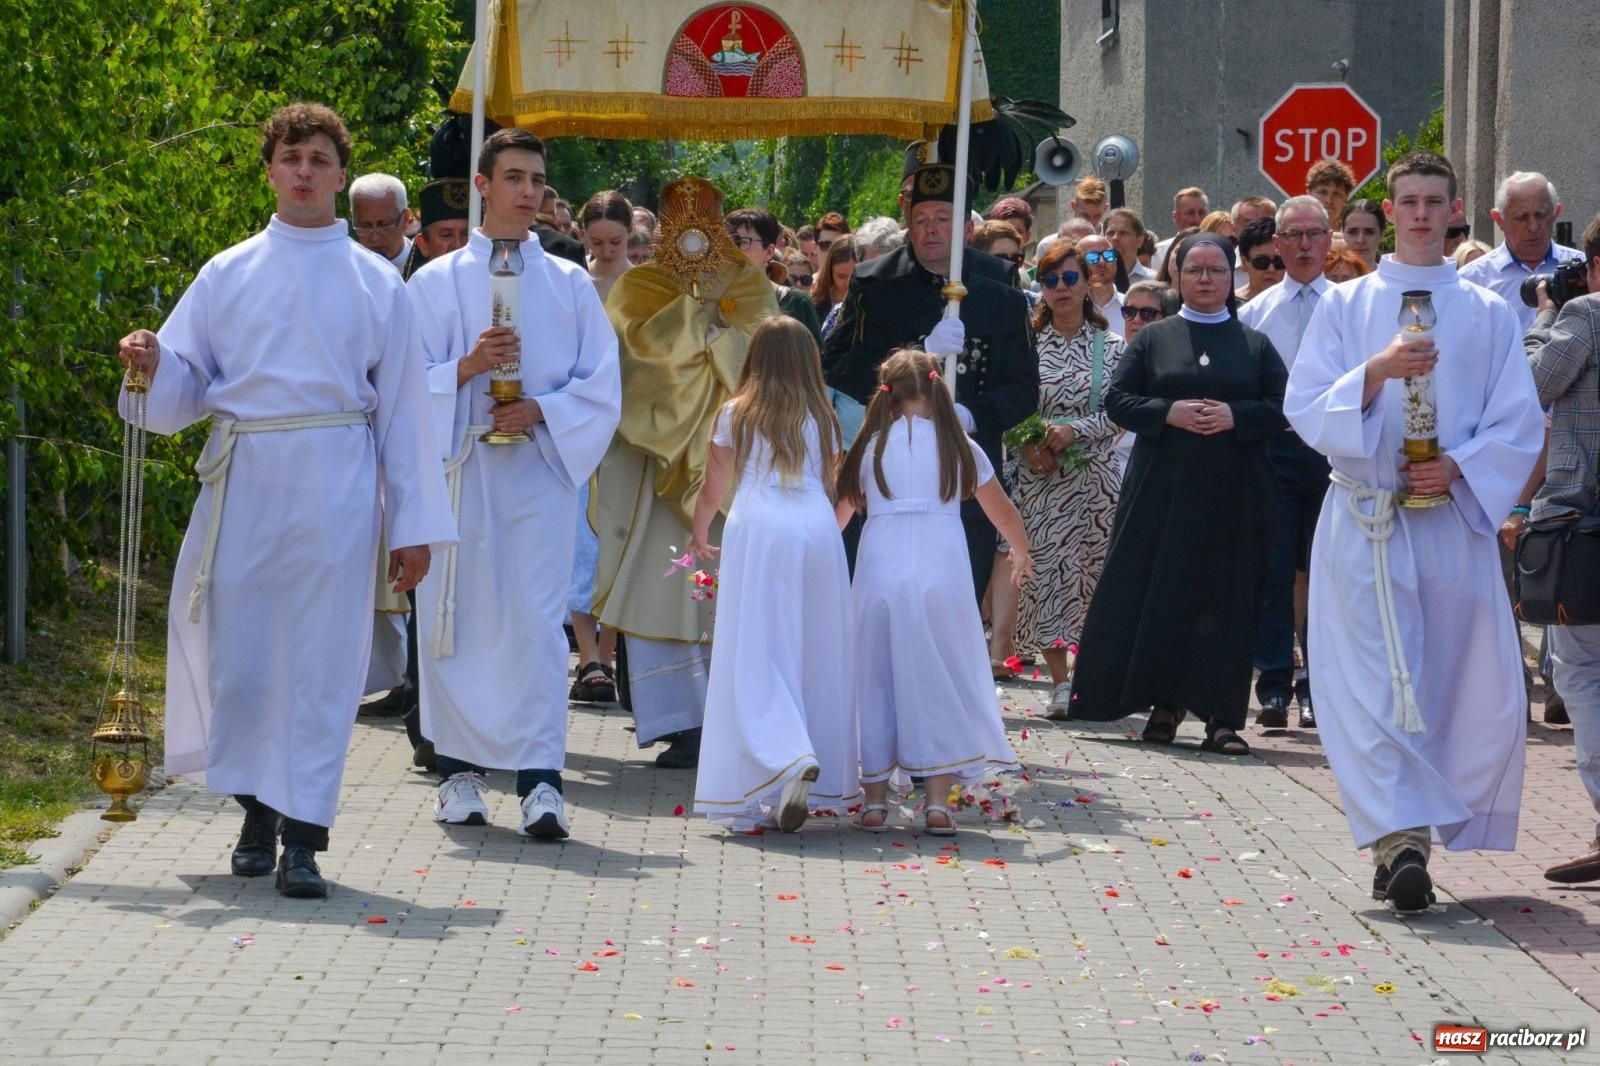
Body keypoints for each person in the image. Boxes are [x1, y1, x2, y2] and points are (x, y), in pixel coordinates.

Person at [115, 103, 454, 898]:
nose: (305, 171)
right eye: (291, 157)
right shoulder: (227, 271)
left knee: (320, 662)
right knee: (244, 660)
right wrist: (151, 359)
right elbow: (185, 387)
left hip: (335, 483)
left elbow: (405, 415)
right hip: (244, 484)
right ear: (269, 169)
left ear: (340, 175)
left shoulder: (377, 282)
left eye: (320, 159)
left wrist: (414, 529)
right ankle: (255, 813)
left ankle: (305, 835)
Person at [1284, 150, 1544, 914]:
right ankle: (1401, 843)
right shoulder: (1347, 304)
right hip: (1365, 520)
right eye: (1410, 201)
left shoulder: (1490, 312)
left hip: (1450, 527)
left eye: (1435, 200)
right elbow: (1306, 407)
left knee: (1446, 683)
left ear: (1454, 211)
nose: (1423, 213)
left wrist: (1462, 468)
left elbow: (1519, 419)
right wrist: (1377, 371)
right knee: (1368, 684)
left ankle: (1410, 830)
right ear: (1389, 212)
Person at [409, 128, 621, 839]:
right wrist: (464, 371)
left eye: (536, 179)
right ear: (482, 185)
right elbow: (403, 388)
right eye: (513, 178)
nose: (528, 191)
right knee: (457, 620)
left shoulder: (569, 285)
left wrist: (542, 409)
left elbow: (602, 386)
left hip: (536, 471)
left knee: (534, 626)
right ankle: (459, 775)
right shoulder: (434, 282)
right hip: (459, 471)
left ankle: (541, 782)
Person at [1068, 234, 1287, 756]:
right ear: (1178, 276)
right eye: (1195, 271)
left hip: (1233, 495)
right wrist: (1168, 412)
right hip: (1162, 492)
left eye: (1215, 270)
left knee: (1226, 601)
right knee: (1163, 594)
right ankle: (1163, 706)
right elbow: (1118, 399)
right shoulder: (1154, 337)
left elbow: (1283, 406)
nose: (1206, 279)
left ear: (1230, 278)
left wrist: (1237, 416)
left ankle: (1223, 719)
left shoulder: (1253, 343)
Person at [592, 177, 779, 770]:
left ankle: (735, 718)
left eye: (706, 219)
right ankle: (680, 723)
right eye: (682, 220)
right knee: (661, 589)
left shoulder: (748, 283)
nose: (693, 230)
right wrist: (703, 331)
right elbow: (633, 359)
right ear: (666, 228)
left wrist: (705, 336)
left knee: (725, 593)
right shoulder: (639, 285)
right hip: (659, 467)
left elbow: (764, 358)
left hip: (731, 467)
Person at [822, 163, 1039, 598]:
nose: (931, 230)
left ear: (964, 228)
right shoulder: (876, 280)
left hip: (965, 469)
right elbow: (837, 366)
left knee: (957, 598)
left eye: (942, 219)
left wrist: (968, 415)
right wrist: (919, 349)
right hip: (891, 466)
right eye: (920, 220)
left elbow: (1023, 388)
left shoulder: (999, 284)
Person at [840, 350, 1032, 833]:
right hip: (941, 574)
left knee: (876, 678)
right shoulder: (959, 447)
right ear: (935, 389)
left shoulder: (867, 449)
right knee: (937, 678)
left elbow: (837, 518)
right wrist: (1021, 551)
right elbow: (1002, 511)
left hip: (881, 572)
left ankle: (875, 801)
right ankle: (937, 802)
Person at [687, 318, 854, 832]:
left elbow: (713, 490)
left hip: (758, 527)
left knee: (755, 649)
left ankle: (783, 754)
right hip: (815, 528)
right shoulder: (824, 417)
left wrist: (698, 535)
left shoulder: (735, 413)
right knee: (813, 649)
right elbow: (836, 487)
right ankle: (796, 755)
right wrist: (829, 531)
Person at [1010, 241, 1126, 718]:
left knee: (1096, 577)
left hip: (1096, 479)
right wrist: (1027, 441)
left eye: (1069, 278)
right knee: (1050, 573)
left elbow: (1121, 412)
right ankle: (1060, 683)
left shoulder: (1112, 346)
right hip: (1041, 479)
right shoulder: (1025, 345)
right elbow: (1010, 405)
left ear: (1087, 283)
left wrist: (1074, 429)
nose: (1060, 288)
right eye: (1050, 279)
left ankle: (1093, 674)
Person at [1238, 196, 1334, 731]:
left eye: (1313, 234)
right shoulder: (1254, 314)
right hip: (1274, 449)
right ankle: (1274, 685)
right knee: (1275, 571)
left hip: (1332, 453)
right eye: (1292, 236)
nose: (1303, 246)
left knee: (1324, 572)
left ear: (1328, 240)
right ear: (1275, 244)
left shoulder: (1349, 305)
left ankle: (1317, 687)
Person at [1524, 214, 1600, 882]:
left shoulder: (1585, 312)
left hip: (1585, 524)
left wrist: (1549, 310)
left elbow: (1529, 385)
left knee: (1580, 671)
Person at [567, 191, 635, 706]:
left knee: (619, 540)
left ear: (630, 236)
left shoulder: (647, 287)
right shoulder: (571, 285)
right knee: (578, 542)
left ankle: (609, 653)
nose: (607, 250)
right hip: (578, 426)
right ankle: (588, 654)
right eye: (596, 242)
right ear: (581, 236)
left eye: (616, 241)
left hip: (632, 429)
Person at [1460, 171, 1584, 332]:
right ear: (1498, 219)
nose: (1533, 227)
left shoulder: (1584, 271)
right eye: (1521, 217)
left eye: (1541, 215)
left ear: (1556, 213)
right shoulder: (1471, 280)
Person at [1109, 281, 1179, 476]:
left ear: (1169, 319)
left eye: (1147, 313)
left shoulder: (1181, 370)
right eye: (1129, 312)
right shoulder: (1105, 360)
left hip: (1156, 469)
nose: (1136, 320)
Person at [726, 207, 823, 347]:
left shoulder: (795, 302)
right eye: (727, 243)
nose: (733, 251)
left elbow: (814, 364)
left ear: (769, 251)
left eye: (742, 242)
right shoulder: (713, 303)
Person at [350, 172, 412, 271]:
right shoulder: (347, 269)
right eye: (365, 226)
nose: (374, 237)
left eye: (384, 225)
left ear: (405, 219)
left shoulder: (427, 267)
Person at [1076, 232, 1123, 326]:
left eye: (1108, 255)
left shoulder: (1130, 307)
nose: (1102, 262)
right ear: (1077, 265)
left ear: (1116, 262)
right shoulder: (1070, 308)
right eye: (1092, 257)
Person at [1153, 187, 1209, 264]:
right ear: (1175, 217)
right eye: (1189, 213)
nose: (1197, 219)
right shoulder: (1159, 253)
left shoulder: (1218, 251)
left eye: (1202, 213)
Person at [1234, 217, 1283, 304]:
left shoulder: (1304, 304)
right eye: (1262, 262)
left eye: (1279, 262)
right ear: (1244, 263)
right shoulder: (1228, 307)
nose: (1271, 269)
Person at [1104, 209, 1151, 282]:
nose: (1115, 238)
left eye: (1123, 233)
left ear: (1139, 241)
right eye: (1111, 233)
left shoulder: (1153, 280)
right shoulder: (1091, 281)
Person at [1338, 198, 1385, 272]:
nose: (1360, 240)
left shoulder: (1393, 281)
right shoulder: (1324, 279)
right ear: (1342, 233)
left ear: (1382, 235)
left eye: (1369, 232)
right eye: (1352, 232)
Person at [1306, 158, 1356, 226]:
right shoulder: (1294, 234)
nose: (1329, 200)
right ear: (1309, 195)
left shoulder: (1355, 235)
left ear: (1346, 198)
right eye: (1322, 192)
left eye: (1336, 194)